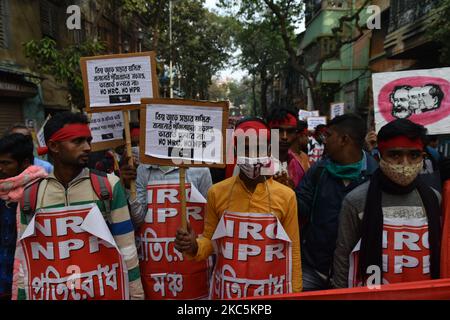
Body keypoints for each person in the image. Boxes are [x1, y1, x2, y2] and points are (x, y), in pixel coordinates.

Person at [13, 112, 144, 300]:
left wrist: (137, 296)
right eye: (78, 141)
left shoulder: (108, 186)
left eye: (88, 140)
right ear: (53, 146)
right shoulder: (30, 195)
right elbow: (26, 260)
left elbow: (128, 250)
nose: (88, 147)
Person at [174, 118, 302, 298]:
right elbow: (211, 242)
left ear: (269, 150)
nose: (252, 155)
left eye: (259, 148)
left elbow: (293, 251)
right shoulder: (217, 193)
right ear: (235, 150)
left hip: (270, 293)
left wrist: (296, 293)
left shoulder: (286, 196)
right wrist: (194, 246)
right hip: (228, 293)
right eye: (246, 148)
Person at [333, 119, 442, 287]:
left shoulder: (434, 198)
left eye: (414, 155)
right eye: (395, 155)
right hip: (374, 293)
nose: (405, 164)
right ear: (379, 156)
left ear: (423, 157)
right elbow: (343, 257)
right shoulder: (356, 200)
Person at [297, 114, 378, 291]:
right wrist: (285, 194)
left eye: (329, 135)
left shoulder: (376, 175)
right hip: (313, 268)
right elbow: (301, 207)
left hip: (355, 276)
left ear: (344, 139)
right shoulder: (319, 170)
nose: (324, 141)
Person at [123, 157, 213, 299]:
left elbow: (209, 219)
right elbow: (138, 219)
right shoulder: (143, 169)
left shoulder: (200, 170)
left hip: (191, 262)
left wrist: (195, 245)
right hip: (154, 265)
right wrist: (129, 188)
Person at [0, 134, 47, 299]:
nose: (0, 168)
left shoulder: (42, 191)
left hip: (29, 280)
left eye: (6, 163)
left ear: (25, 163)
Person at [267, 107, 306, 191]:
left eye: (290, 131)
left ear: (296, 134)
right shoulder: (256, 165)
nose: (284, 137)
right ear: (269, 131)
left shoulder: (300, 164)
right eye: (278, 130)